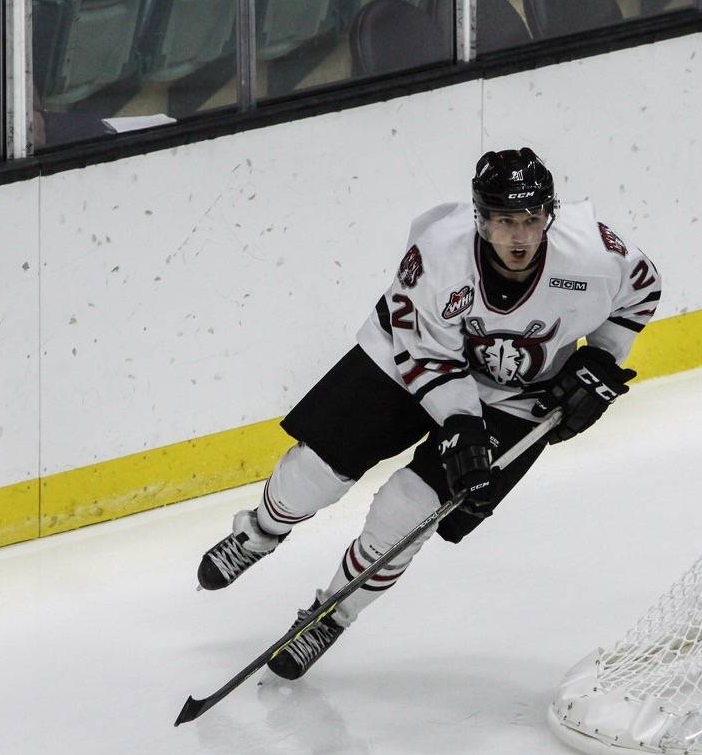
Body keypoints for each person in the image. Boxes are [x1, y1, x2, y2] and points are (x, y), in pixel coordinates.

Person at [197, 148, 661, 680]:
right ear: (481, 218)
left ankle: (332, 614)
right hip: (408, 357)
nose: (519, 237)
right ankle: (259, 532)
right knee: (315, 472)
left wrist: (600, 356)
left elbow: (642, 292)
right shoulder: (439, 255)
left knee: (409, 511)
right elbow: (423, 356)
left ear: (549, 217)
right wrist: (461, 424)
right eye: (506, 221)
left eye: (531, 221)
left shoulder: (594, 253)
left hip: (516, 392)